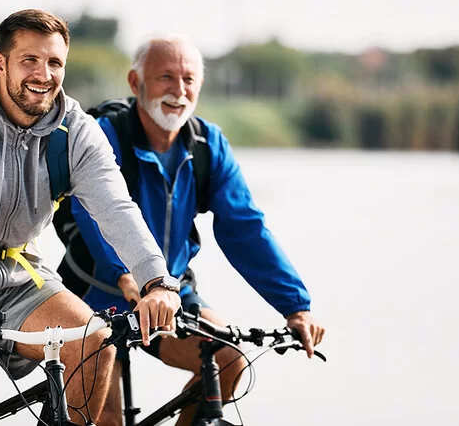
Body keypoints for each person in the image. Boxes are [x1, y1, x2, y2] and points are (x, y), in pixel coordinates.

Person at [0, 9, 180, 426]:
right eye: (30, 60)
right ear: (0, 64)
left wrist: (157, 281)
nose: (44, 75)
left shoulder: (75, 130)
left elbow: (116, 208)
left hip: (23, 279)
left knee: (96, 342)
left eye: (55, 62)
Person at [55, 35, 325, 425]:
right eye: (166, 77)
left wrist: (296, 306)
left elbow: (245, 229)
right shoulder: (103, 135)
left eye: (189, 79)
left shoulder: (206, 145)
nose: (179, 91)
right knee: (105, 417)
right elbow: (90, 211)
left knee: (229, 361)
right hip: (97, 294)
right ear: (136, 83)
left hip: (169, 294)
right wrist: (127, 276)